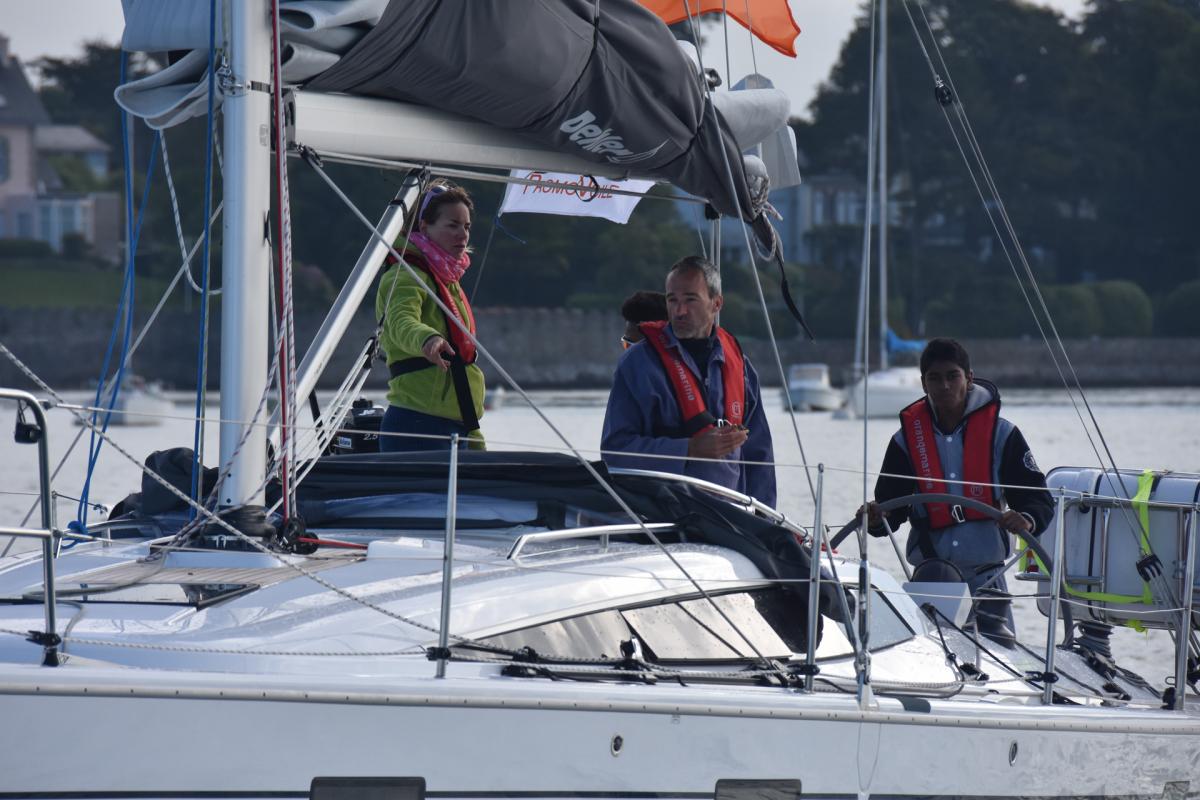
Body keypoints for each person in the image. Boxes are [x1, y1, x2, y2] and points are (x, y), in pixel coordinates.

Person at [862, 337, 1052, 643]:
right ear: (923, 383)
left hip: (987, 579)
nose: (945, 386)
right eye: (935, 378)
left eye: (953, 376)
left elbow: (1037, 498)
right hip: (930, 578)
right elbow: (890, 511)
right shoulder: (905, 441)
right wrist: (874, 518)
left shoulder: (1003, 434)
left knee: (998, 659)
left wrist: (1026, 519)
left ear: (969, 378)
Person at [601, 256, 776, 506]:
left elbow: (759, 455)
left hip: (732, 517)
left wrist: (765, 518)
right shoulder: (637, 364)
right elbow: (615, 451)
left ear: (716, 304)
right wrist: (689, 449)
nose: (679, 311)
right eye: (672, 300)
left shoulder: (742, 369)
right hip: (661, 515)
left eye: (690, 300)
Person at [375, 182, 485, 452]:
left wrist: (473, 436)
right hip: (417, 425)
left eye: (467, 226)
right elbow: (400, 321)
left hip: (458, 426)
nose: (463, 234)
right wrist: (428, 339)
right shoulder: (404, 275)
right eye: (453, 225)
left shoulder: (447, 280)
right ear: (424, 227)